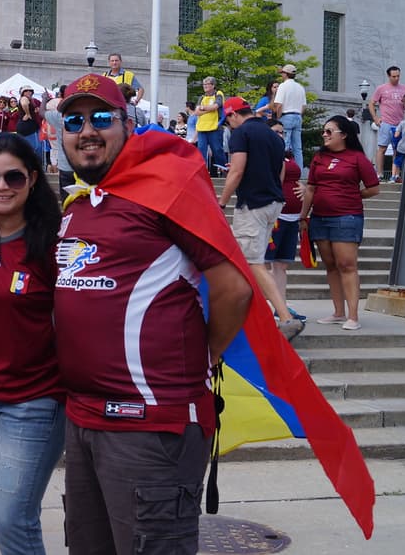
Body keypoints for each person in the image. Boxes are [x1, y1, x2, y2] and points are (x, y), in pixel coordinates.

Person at [53, 73, 252, 555]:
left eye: (102, 117)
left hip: (150, 426)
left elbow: (234, 287)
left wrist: (202, 357)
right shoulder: (80, 204)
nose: (87, 130)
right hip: (84, 422)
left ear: (128, 123)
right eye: (73, 120)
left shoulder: (166, 188)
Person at [0, 133, 65, 554]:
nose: (0, 187)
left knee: (11, 517)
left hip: (36, 399)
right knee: (13, 513)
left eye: (13, 177)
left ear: (33, 179)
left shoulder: (56, 240)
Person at [217, 96, 303, 341]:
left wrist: (222, 201)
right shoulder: (273, 136)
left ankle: (285, 317)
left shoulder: (241, 134)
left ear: (233, 114)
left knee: (252, 261)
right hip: (274, 202)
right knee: (256, 261)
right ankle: (260, 314)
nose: (229, 125)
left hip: (253, 203)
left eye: (228, 120)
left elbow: (237, 169)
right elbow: (282, 172)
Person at [301, 115, 379, 331]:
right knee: (331, 266)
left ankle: (353, 316)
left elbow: (374, 188)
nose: (324, 135)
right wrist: (303, 216)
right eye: (324, 131)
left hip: (347, 217)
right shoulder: (319, 157)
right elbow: (310, 188)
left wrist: (352, 195)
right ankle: (338, 312)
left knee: (347, 265)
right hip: (320, 218)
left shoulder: (357, 158)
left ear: (343, 135)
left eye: (329, 131)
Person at [264, 121, 303, 321]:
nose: (280, 135)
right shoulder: (266, 155)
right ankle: (268, 306)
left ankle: (282, 307)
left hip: (293, 216)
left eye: (282, 132)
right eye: (275, 132)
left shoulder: (288, 155)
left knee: (281, 265)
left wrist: (303, 189)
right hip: (276, 215)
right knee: (267, 263)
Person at [369, 65, 405, 181]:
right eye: (394, 76)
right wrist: (376, 118)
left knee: (398, 150)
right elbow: (371, 103)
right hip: (386, 122)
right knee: (382, 148)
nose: (396, 78)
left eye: (398, 76)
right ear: (389, 76)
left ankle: (395, 175)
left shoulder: (404, 89)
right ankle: (379, 174)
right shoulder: (381, 88)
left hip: (400, 124)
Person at [41, 85, 75, 197]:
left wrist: (44, 99)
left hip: (65, 166)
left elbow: (42, 112)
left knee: (66, 199)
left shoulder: (60, 116)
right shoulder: (88, 116)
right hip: (81, 167)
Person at [192, 76, 227, 175]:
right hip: (202, 128)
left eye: (207, 84)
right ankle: (201, 172)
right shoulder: (202, 97)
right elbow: (196, 112)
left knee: (217, 150)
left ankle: (225, 170)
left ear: (213, 85)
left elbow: (216, 106)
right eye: (204, 84)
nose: (205, 86)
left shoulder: (218, 94)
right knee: (201, 151)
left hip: (215, 127)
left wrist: (203, 108)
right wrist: (208, 109)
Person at [273, 64, 306, 166]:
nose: (282, 75)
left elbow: (279, 104)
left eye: (282, 73)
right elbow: (304, 106)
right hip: (298, 116)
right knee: (297, 147)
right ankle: (298, 172)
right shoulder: (300, 87)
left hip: (286, 116)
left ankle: (284, 170)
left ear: (286, 74)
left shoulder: (283, 86)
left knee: (284, 144)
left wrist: (278, 118)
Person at [13, 86, 42, 154]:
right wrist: (27, 113)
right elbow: (24, 104)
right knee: (35, 147)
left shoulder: (31, 100)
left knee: (25, 147)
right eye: (26, 91)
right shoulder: (24, 98)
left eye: (30, 90)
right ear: (23, 93)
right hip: (29, 127)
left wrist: (34, 111)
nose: (28, 92)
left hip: (26, 126)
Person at [392, 95, 405, 183]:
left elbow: (396, 135)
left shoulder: (403, 123)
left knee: (397, 162)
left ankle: (394, 176)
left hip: (402, 146)